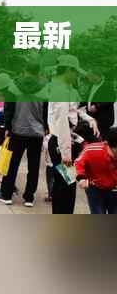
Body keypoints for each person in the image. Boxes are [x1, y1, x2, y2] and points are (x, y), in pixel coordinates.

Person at [47, 55, 99, 214]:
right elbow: (62, 123)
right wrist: (66, 154)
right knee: (64, 186)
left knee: (67, 184)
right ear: (68, 70)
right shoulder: (61, 92)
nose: (77, 75)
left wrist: (90, 119)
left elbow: (75, 110)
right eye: (75, 72)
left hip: (66, 141)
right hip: (61, 142)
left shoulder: (69, 90)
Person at [0, 65, 48, 207]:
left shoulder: (13, 87)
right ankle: (29, 198)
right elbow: (46, 112)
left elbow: (8, 110)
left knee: (12, 164)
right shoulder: (44, 89)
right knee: (34, 166)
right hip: (37, 133)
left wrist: (7, 127)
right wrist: (45, 128)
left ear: (24, 71)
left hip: (17, 131)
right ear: (38, 73)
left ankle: (6, 195)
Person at [75, 127, 117, 214]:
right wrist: (81, 177)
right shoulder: (91, 150)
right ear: (107, 144)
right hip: (95, 188)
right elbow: (78, 162)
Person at [84, 69, 115, 140]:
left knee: (102, 138)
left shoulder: (107, 85)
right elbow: (89, 98)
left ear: (96, 76)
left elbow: (111, 99)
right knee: (94, 137)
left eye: (90, 76)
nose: (88, 78)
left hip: (103, 118)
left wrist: (97, 106)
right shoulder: (92, 85)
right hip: (93, 117)